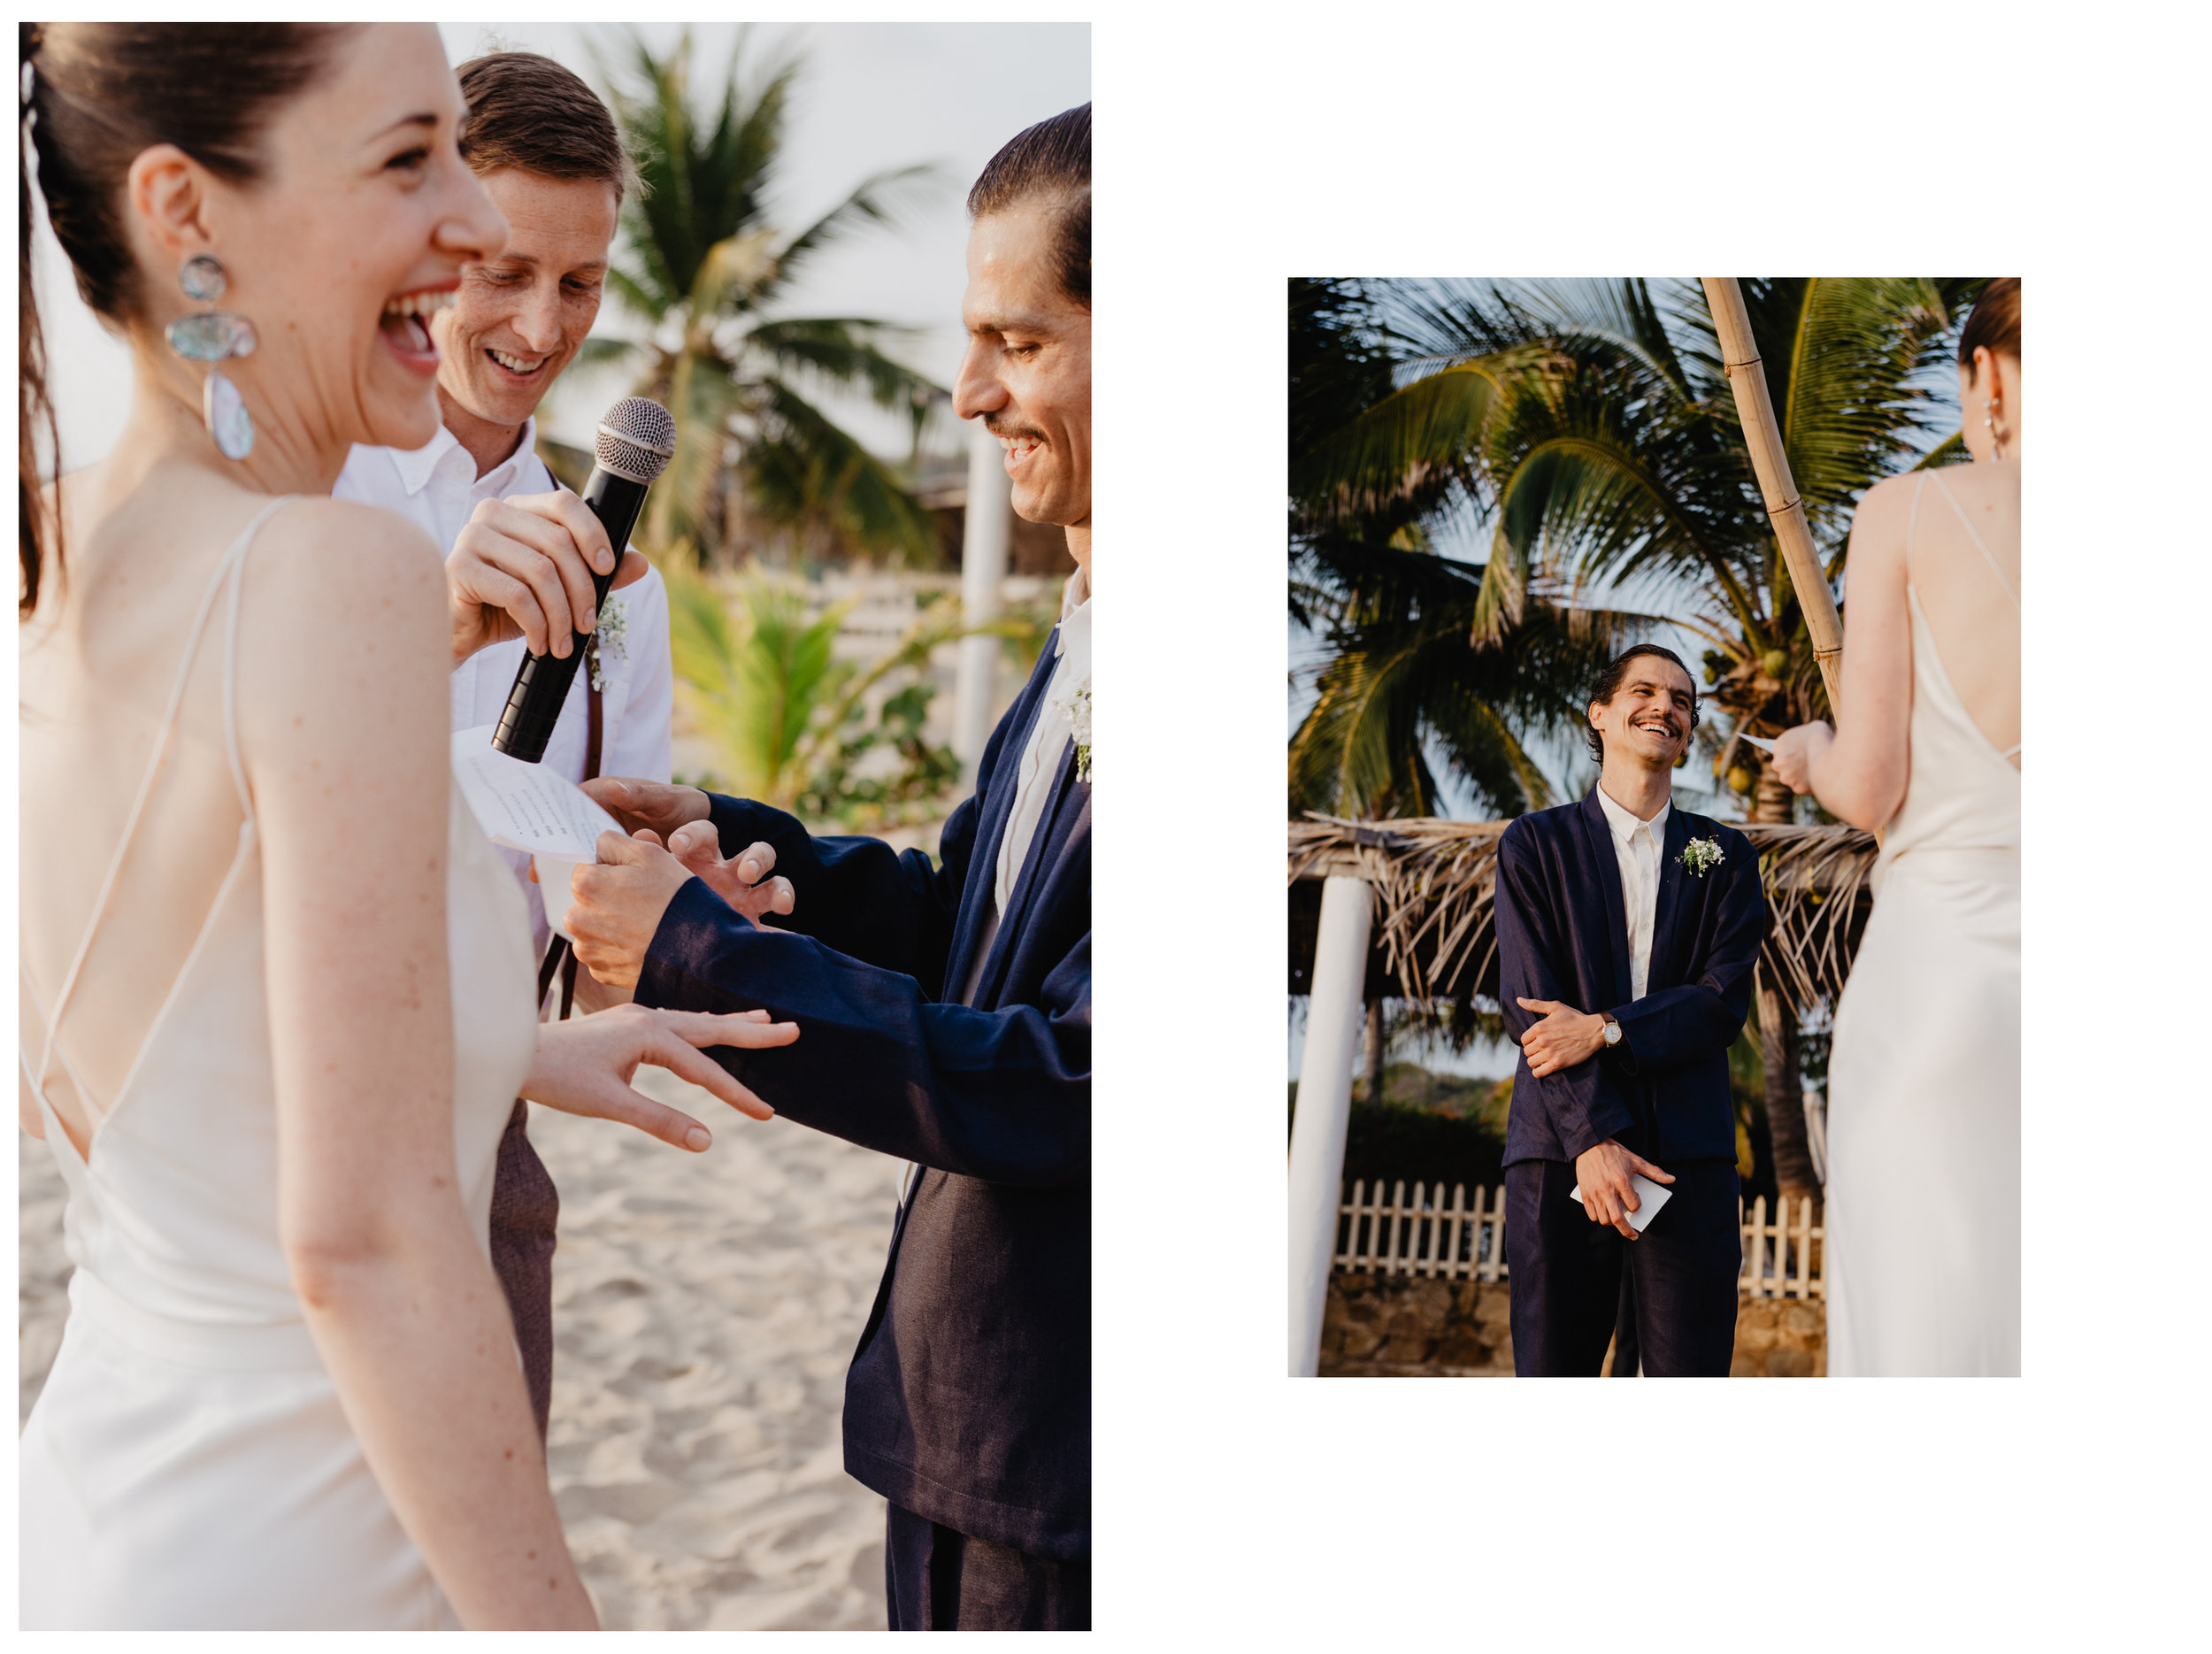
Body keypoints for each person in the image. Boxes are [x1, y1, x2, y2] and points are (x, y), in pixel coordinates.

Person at [18, 22, 794, 1627]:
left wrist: (513, 1045)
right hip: (303, 1523)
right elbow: (362, 1234)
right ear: (187, 215)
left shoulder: (60, 547)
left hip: (108, 1491)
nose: (465, 241)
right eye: (407, 160)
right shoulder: (338, 570)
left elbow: (139, 1052)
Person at [562, 104, 1093, 1629]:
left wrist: (700, 959)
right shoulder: (1084, 635)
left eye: (1018, 339)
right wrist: (755, 856)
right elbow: (967, 933)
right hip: (963, 1415)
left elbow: (1068, 1077)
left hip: (1063, 1458)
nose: (967, 388)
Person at [330, 48, 691, 1443]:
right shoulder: (303, 483)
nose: (544, 324)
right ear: (428, 241)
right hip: (276, 1135)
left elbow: (588, 908)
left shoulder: (624, 584)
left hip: (492, 1157)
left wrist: (674, 891)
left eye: (582, 281)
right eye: (505, 268)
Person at [1770, 280, 2021, 1377]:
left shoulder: (1907, 512)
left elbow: (1868, 784)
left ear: (1989, 379)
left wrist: (1802, 752)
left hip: (1942, 985)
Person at [1493, 644, 1766, 1377]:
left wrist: (1607, 1028)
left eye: (1681, 699)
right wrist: (1594, 1139)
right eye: (1644, 691)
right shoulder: (1534, 845)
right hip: (1561, 1152)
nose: (1665, 707)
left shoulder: (1728, 856)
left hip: (1689, 1161)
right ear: (1601, 714)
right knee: (1556, 1373)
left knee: (1689, 1375)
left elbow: (1720, 1002)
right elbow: (1532, 1010)